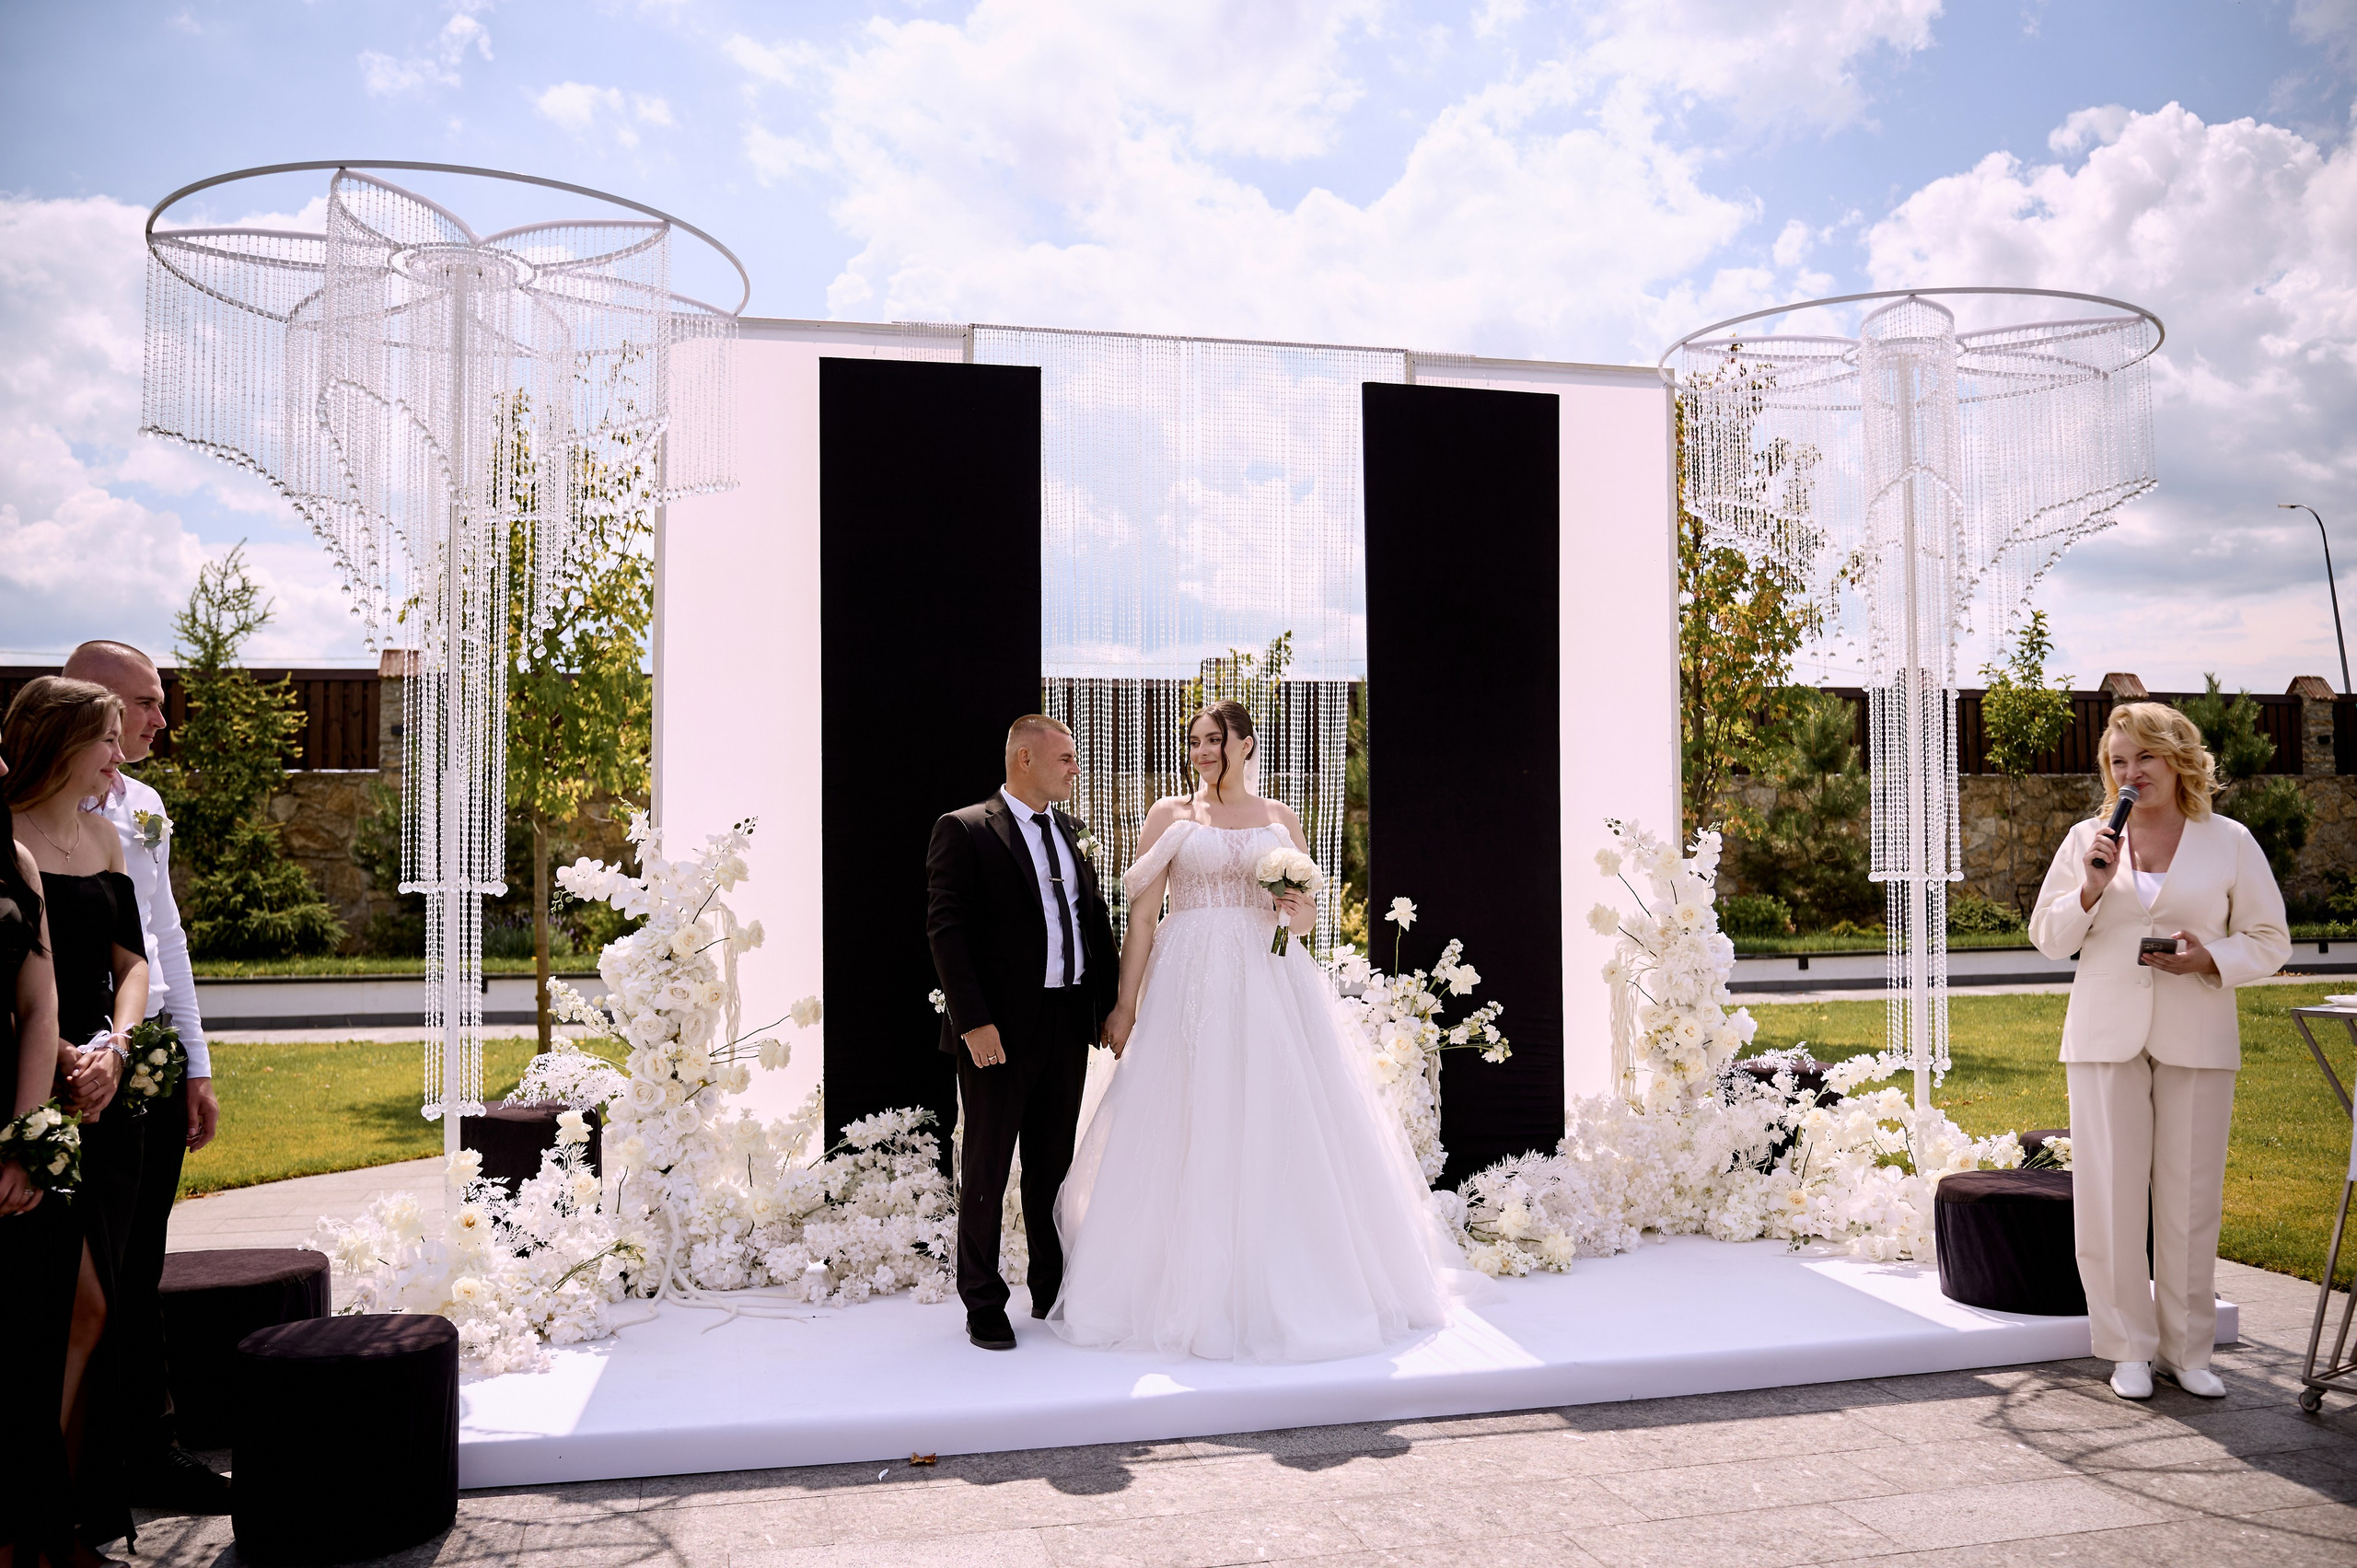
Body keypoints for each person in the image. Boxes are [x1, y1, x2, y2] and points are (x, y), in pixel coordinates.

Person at [1048, 702, 1474, 1364]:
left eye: (1214, 740)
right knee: (1186, 1122)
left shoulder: (1280, 818)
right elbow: (1141, 919)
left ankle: (1287, 1282)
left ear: (1246, 744)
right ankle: (1179, 1287)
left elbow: (1302, 925)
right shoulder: (1170, 815)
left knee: (1278, 1119)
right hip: (1187, 986)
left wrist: (1299, 911)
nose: (1202, 751)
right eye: (1194, 741)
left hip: (1269, 983)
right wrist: (1125, 1005)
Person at [2029, 701, 2289, 1402]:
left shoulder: (2229, 840)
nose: (2130, 771)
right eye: (2118, 760)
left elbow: (2271, 939)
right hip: (2106, 1033)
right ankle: (2127, 1348)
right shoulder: (2089, 837)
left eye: (2143, 756)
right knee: (2110, 1197)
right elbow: (2048, 936)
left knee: (2190, 1198)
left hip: (2198, 1033)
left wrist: (2211, 957)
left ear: (2177, 760)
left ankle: (2188, 1349)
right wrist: (2089, 885)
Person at [59, 642, 227, 1513]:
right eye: (148, 703)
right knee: (91, 1271)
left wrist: (195, 1062)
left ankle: (149, 1452)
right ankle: (91, 1463)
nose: (162, 719)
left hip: (152, 1045)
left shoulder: (147, 806)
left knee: (144, 1260)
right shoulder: (36, 810)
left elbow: (165, 938)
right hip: (75, 1059)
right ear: (96, 704)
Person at [5, 677, 153, 1558]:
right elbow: (26, 983)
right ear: (61, 743)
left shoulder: (105, 838)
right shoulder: (5, 840)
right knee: (55, 1307)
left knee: (98, 1306)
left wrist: (119, 1048)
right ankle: (32, 1513)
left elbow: (129, 964)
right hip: (38, 1093)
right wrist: (57, 1053)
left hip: (106, 1101)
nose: (118, 755)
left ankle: (56, 1512)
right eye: (105, 739)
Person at [925, 714, 1120, 1352]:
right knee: (986, 1164)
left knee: (1051, 1169)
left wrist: (1112, 1006)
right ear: (1024, 759)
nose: (1073, 768)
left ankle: (1049, 1288)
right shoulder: (965, 828)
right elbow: (947, 932)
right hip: (999, 1032)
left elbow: (1094, 922)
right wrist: (974, 1021)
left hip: (1065, 1024)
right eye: (1064, 758)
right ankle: (983, 1302)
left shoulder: (1070, 830)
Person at [2, 744, 79, 1568]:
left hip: (14, 1147)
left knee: (27, 1354)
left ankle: (38, 1540)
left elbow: (37, 1000)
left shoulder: (12, 855)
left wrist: (24, 1141)